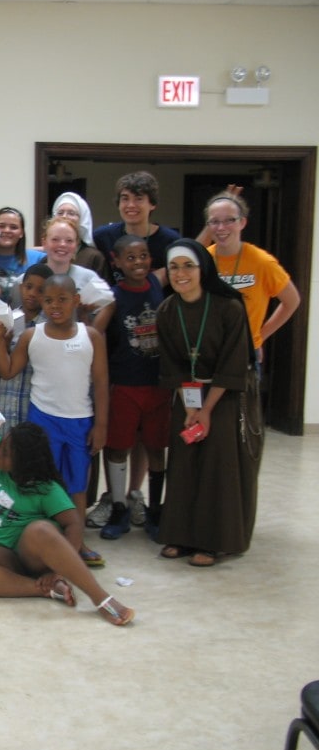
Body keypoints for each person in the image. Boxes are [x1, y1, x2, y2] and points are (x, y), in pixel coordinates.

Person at [0, 422, 134, 626]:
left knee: (39, 529)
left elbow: (73, 525)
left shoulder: (46, 489)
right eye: (0, 447)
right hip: (2, 553)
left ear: (23, 462)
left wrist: (58, 570)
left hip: (33, 554)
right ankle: (46, 589)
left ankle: (101, 599)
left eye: (5, 453)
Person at [0, 273, 108, 567]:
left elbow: (102, 383)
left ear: (76, 301)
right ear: (41, 302)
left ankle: (77, 544)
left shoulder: (90, 336)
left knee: (78, 485)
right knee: (43, 483)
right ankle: (48, 543)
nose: (55, 306)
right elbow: (7, 371)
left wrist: (101, 425)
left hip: (80, 421)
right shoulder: (32, 335)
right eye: (49, 300)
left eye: (62, 300)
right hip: (42, 420)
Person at [156, 239, 261, 568]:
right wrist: (190, 408)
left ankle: (214, 541)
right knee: (185, 463)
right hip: (187, 397)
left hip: (225, 396)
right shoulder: (167, 311)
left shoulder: (229, 307)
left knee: (218, 466)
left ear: (204, 269)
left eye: (188, 265)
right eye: (174, 267)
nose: (180, 273)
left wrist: (207, 409)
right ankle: (181, 535)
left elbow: (233, 364)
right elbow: (173, 365)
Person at [90, 235, 168, 540]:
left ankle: (155, 509)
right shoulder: (114, 296)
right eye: (131, 258)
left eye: (144, 255)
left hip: (158, 384)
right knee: (118, 446)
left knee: (155, 447)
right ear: (117, 262)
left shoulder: (159, 285)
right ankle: (119, 507)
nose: (139, 262)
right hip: (124, 383)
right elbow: (95, 333)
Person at [202, 191, 300, 359]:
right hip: (207, 350)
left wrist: (260, 337)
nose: (221, 227)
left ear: (243, 222)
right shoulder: (201, 261)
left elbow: (292, 301)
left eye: (229, 220)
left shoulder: (262, 262)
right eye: (214, 221)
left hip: (244, 351)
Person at [0, 263, 52, 431]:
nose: (32, 293)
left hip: (33, 409)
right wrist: (3, 344)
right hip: (6, 406)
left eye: (40, 290)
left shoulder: (50, 328)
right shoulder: (7, 319)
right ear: (21, 286)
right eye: (29, 287)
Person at [93, 170, 180, 283]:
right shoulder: (102, 237)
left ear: (152, 204)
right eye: (125, 199)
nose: (131, 205)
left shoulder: (171, 241)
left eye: (138, 199)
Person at [0, 206, 45, 303]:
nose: (7, 230)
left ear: (21, 233)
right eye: (1, 226)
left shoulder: (38, 258)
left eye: (13, 227)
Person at [53, 191, 108, 279]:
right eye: (60, 213)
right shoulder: (48, 256)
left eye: (71, 213)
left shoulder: (93, 257)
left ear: (83, 219)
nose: (64, 216)